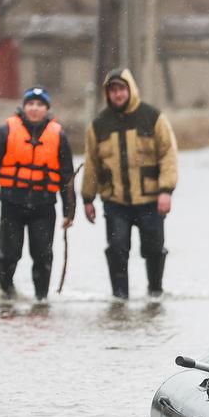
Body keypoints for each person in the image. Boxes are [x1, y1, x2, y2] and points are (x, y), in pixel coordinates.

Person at [81, 68, 178, 300]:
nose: (117, 94)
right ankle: (119, 299)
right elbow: (91, 163)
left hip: (151, 200)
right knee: (117, 250)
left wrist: (166, 190)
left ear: (130, 90)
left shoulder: (153, 117)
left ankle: (155, 294)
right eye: (113, 90)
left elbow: (168, 155)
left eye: (121, 89)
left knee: (154, 250)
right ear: (108, 93)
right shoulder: (99, 125)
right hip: (115, 201)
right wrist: (87, 198)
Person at [0, 85, 75, 301]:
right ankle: (7, 293)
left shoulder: (58, 135)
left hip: (44, 206)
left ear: (46, 109)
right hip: (12, 203)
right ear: (24, 106)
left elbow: (67, 176)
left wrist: (69, 211)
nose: (34, 108)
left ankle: (41, 299)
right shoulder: (6, 131)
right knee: (8, 254)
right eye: (30, 104)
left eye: (39, 104)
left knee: (42, 255)